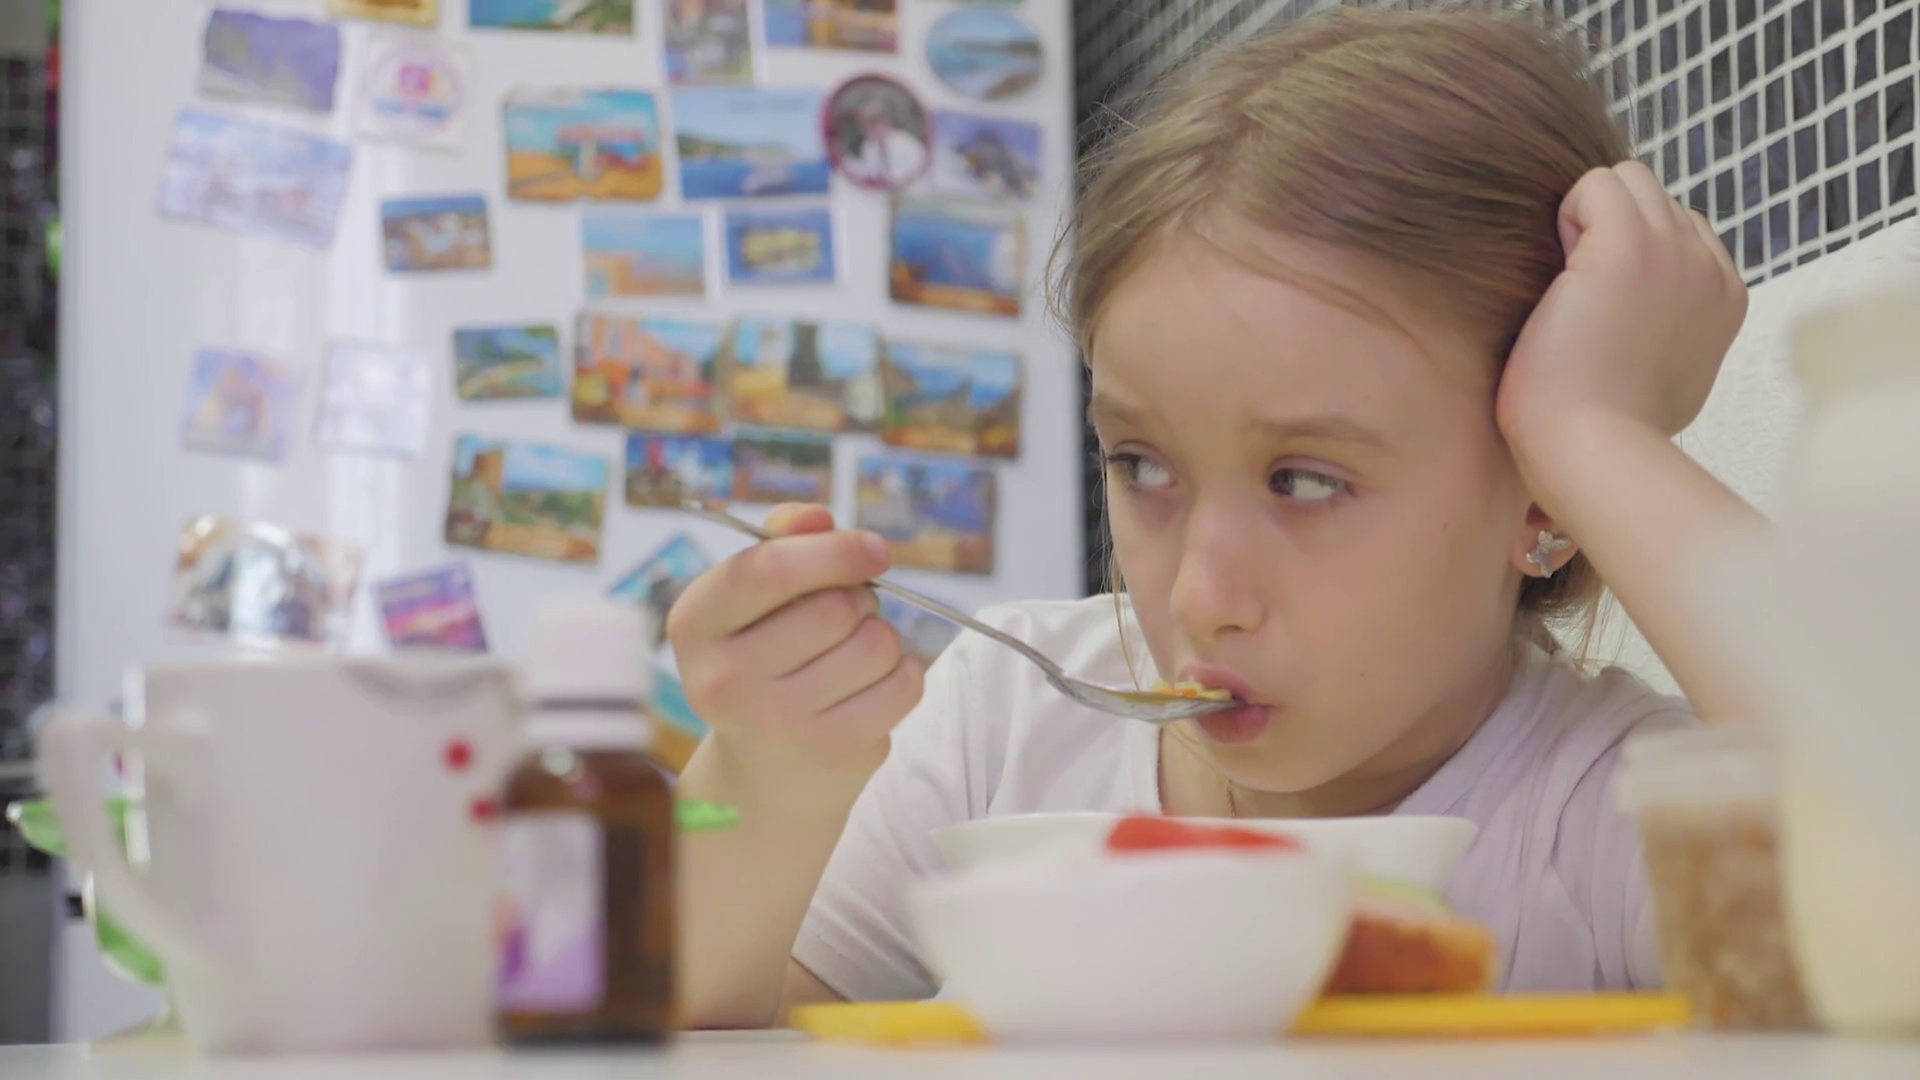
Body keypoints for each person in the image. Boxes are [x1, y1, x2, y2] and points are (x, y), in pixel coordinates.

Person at [669, 7, 1760, 1028]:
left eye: (1304, 482)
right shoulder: (999, 729)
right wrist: (766, 788)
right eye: (1141, 464)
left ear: (1541, 499)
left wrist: (1594, 430)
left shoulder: (1615, 811)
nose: (1196, 598)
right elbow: (702, 1036)